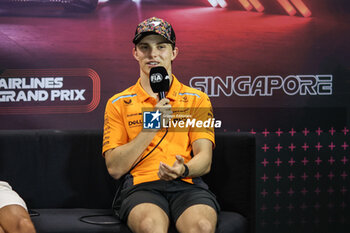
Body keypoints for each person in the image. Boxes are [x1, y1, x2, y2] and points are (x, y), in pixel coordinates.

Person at [102, 17, 220, 233]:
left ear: (173, 52)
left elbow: (205, 160)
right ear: (135, 53)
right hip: (141, 186)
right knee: (151, 227)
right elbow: (115, 168)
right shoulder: (118, 102)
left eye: (161, 46)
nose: (152, 54)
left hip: (187, 183)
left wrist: (182, 169)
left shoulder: (197, 98)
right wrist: (152, 124)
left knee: (202, 227)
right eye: (144, 47)